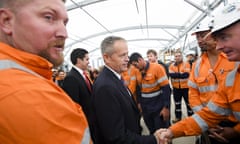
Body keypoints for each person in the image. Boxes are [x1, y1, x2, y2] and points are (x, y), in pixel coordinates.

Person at [0, 0, 91, 143]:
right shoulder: (27, 94)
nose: (64, 33)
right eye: (48, 17)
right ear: (7, 21)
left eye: (64, 23)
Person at [157, 2, 240, 144]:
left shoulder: (232, 62)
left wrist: (237, 130)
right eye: (197, 38)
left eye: (224, 37)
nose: (219, 45)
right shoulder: (201, 67)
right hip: (214, 124)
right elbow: (199, 100)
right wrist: (172, 131)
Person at [91, 36, 159, 144]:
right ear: (107, 58)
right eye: (122, 55)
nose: (127, 59)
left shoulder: (115, 78)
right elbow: (116, 136)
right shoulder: (105, 87)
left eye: (127, 54)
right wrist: (153, 139)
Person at [190, 21, 237, 144]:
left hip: (233, 121)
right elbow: (193, 93)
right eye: (197, 37)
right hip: (209, 121)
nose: (200, 40)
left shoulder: (233, 58)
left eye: (203, 35)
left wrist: (237, 130)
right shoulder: (196, 66)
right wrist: (204, 122)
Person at [129, 52, 171, 134]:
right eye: (133, 66)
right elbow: (138, 89)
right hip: (146, 108)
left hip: (158, 107)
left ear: (140, 60)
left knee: (162, 132)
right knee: (152, 131)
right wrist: (139, 103)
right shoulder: (137, 71)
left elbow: (166, 89)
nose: (135, 67)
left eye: (135, 65)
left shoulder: (157, 68)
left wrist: (166, 107)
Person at [62, 48, 95, 142]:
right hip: (84, 122)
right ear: (79, 60)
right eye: (87, 59)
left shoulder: (84, 75)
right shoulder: (71, 78)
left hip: (91, 120)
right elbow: (73, 104)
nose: (89, 62)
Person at [168, 51, 193, 123]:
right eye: (176, 56)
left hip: (186, 88)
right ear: (174, 57)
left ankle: (191, 119)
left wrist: (177, 74)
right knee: (177, 104)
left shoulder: (187, 64)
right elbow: (171, 75)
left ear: (182, 56)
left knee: (189, 104)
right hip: (176, 89)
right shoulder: (171, 66)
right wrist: (180, 74)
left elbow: (186, 75)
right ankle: (178, 118)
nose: (177, 57)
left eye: (179, 56)